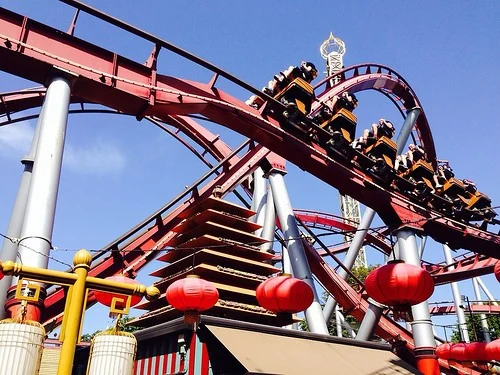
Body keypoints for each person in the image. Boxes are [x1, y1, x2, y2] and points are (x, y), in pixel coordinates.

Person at [245, 61, 319, 109]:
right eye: (313, 72)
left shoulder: (306, 79)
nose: (313, 75)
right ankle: (270, 90)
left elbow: (309, 91)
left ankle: (279, 85)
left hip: (291, 90)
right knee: (272, 82)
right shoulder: (299, 71)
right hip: (285, 86)